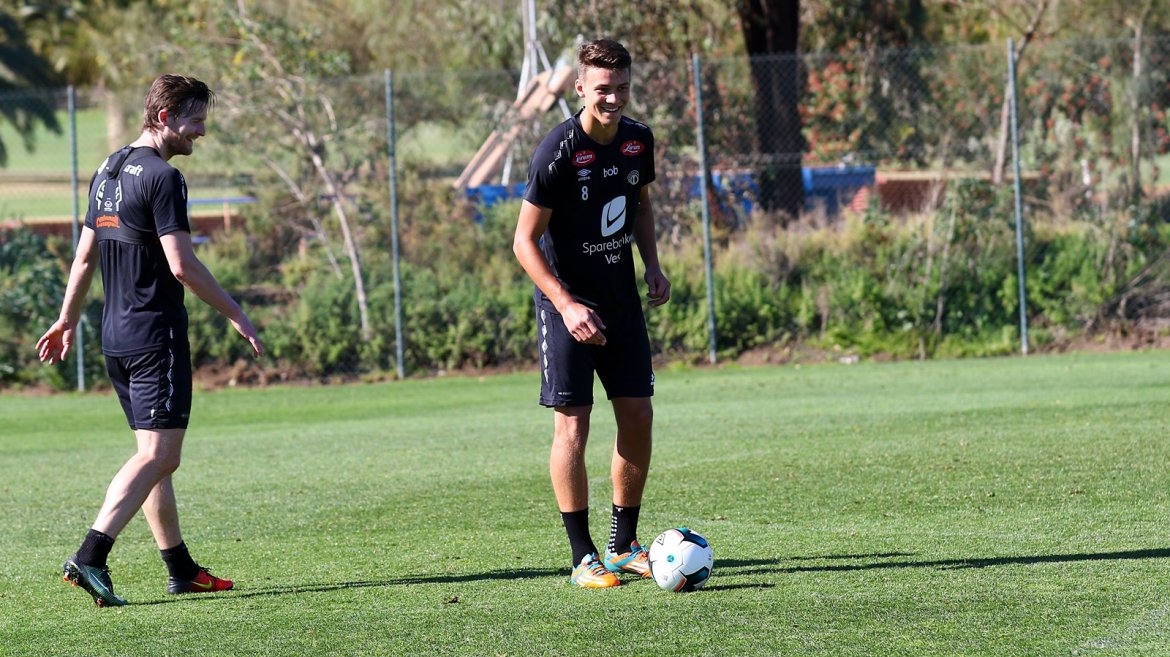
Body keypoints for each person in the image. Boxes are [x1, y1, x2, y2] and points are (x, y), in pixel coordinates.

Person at [36, 74, 263, 607]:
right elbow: (182, 265)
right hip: (154, 335)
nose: (201, 131)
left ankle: (181, 569)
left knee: (151, 455)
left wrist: (67, 319)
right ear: (165, 117)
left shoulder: (107, 169)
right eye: (195, 120)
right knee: (161, 455)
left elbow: (84, 256)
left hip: (115, 337)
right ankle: (90, 555)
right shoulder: (164, 177)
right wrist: (235, 311)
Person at [512, 39, 671, 588]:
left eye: (622, 87)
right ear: (580, 88)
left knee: (639, 416)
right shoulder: (556, 152)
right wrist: (565, 304)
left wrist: (652, 265)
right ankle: (583, 557)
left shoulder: (638, 140)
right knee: (573, 426)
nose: (614, 98)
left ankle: (623, 546)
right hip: (566, 308)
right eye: (603, 89)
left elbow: (640, 206)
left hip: (621, 303)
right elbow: (524, 242)